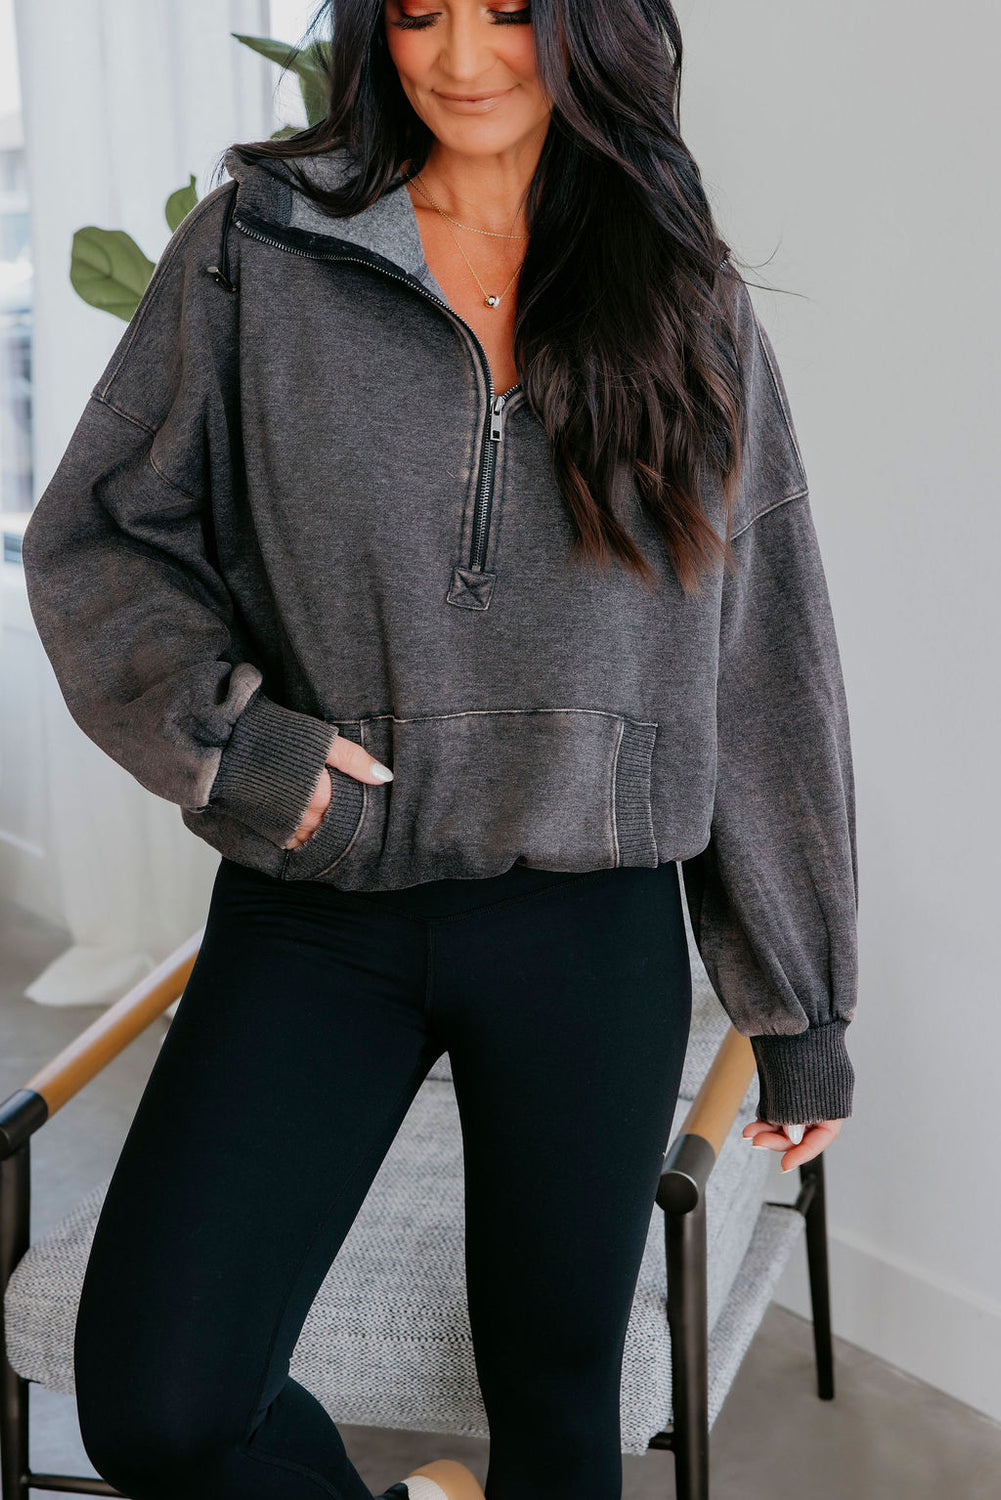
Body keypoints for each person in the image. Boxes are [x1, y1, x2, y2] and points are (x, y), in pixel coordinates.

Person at [19, 2, 859, 1498]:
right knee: (160, 1405)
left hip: (585, 921)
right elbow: (100, 536)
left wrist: (799, 1007)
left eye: (508, 11)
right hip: (319, 904)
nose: (461, 59)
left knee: (557, 1420)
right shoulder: (258, 250)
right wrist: (241, 743)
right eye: (418, 10)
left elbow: (763, 659)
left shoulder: (684, 295)